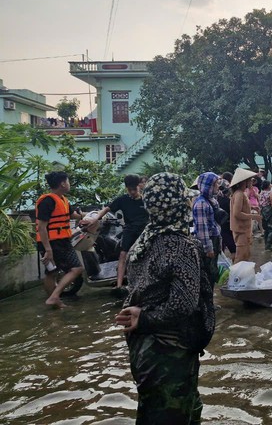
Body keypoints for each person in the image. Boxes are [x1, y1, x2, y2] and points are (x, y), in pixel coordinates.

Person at [115, 172, 215, 424]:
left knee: (158, 411)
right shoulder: (181, 246)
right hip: (169, 351)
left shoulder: (145, 239)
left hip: (146, 350)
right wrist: (146, 318)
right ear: (179, 205)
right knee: (170, 415)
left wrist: (142, 317)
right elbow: (183, 303)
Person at [82, 174, 149, 290]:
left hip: (145, 231)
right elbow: (106, 209)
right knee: (123, 255)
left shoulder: (147, 199)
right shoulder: (122, 200)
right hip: (130, 231)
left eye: (134, 189)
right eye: (130, 190)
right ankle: (119, 286)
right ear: (126, 188)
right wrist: (94, 219)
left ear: (139, 186)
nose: (132, 192)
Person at [36, 171, 85, 308]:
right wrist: (48, 249)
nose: (69, 184)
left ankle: (54, 301)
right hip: (51, 243)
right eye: (68, 181)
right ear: (62, 183)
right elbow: (41, 227)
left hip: (62, 240)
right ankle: (54, 297)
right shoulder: (47, 201)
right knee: (77, 268)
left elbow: (73, 215)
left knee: (51, 272)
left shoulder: (62, 199)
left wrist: (93, 215)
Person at [192, 172, 223, 283]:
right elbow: (202, 229)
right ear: (208, 186)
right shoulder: (201, 203)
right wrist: (208, 248)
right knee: (208, 274)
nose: (218, 186)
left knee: (213, 272)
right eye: (215, 184)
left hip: (214, 239)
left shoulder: (211, 200)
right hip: (208, 241)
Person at [230, 168, 261, 263]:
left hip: (244, 229)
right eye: (250, 180)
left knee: (246, 255)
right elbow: (237, 213)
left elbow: (242, 208)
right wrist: (253, 216)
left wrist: (252, 207)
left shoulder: (241, 193)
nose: (252, 182)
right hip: (241, 230)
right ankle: (236, 276)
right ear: (245, 182)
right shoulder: (239, 194)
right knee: (241, 257)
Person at [217, 173, 236, 261]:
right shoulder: (227, 200)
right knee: (234, 250)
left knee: (221, 251)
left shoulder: (216, 200)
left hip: (220, 227)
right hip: (226, 227)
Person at [259, 181, 272, 252]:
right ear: (268, 186)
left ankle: (266, 245)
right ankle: (268, 245)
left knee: (266, 229)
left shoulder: (261, 193)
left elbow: (260, 203)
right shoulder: (270, 193)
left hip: (263, 211)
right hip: (269, 210)